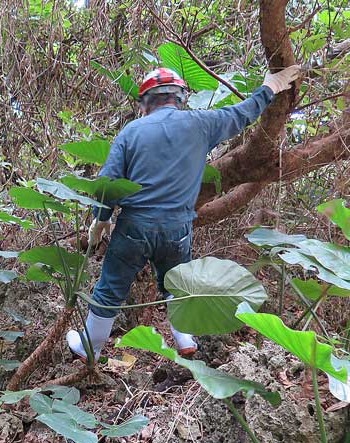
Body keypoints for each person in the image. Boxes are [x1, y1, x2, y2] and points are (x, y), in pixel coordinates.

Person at [66, 64, 301, 360]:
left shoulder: (131, 132)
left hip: (134, 227)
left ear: (144, 103)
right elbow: (243, 114)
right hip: (177, 229)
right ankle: (186, 341)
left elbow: (107, 184)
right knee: (176, 286)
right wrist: (270, 87)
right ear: (180, 98)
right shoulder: (200, 123)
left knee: (110, 289)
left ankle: (91, 348)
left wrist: (101, 220)